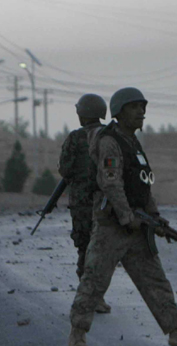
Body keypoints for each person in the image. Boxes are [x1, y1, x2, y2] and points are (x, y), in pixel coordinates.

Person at [68, 87, 177, 346]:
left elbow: (142, 184)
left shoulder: (132, 142)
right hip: (112, 225)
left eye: (143, 107)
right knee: (94, 281)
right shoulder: (110, 141)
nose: (141, 112)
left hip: (135, 225)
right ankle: (77, 334)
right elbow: (110, 182)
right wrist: (126, 216)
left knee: (156, 281)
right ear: (120, 111)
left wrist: (155, 217)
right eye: (135, 107)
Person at [58, 93, 111, 314]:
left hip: (82, 203)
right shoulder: (111, 136)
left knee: (84, 247)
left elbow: (65, 170)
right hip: (107, 201)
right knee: (102, 248)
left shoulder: (75, 138)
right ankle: (96, 296)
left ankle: (88, 295)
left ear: (83, 115)